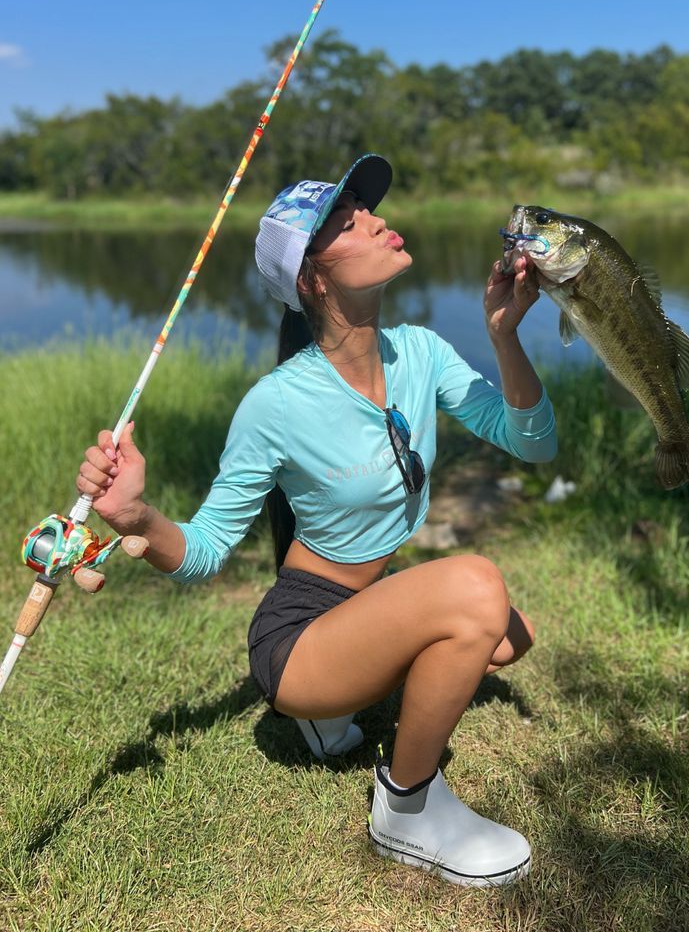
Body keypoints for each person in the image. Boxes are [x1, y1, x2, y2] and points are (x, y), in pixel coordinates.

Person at [77, 153, 557, 888]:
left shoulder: (421, 352)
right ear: (313, 279)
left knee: (508, 637)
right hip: (298, 632)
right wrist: (138, 514)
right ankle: (407, 810)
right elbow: (204, 551)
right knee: (475, 590)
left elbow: (533, 440)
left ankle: (349, 704)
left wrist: (503, 334)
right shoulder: (275, 403)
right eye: (347, 220)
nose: (376, 220)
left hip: (364, 600)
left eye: (368, 209)